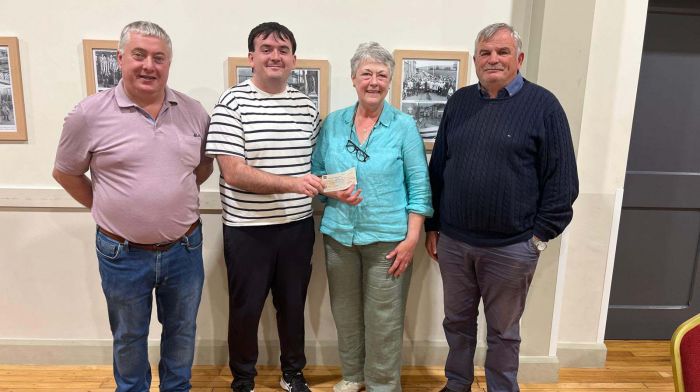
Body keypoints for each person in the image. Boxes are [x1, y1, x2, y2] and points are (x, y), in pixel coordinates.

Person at [52, 21, 213, 391]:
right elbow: (66, 173)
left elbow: (201, 168)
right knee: (128, 337)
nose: (148, 65)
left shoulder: (193, 112)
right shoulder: (88, 114)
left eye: (159, 58)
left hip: (185, 249)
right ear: (120, 58)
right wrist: (107, 205)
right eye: (139, 55)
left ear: (169, 64)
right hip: (121, 253)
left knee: (183, 331)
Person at [424, 23, 579, 392]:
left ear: (519, 58)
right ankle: (457, 384)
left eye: (502, 52)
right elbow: (439, 168)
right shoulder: (458, 102)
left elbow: (563, 182)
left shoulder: (544, 106)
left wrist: (538, 238)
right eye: (485, 53)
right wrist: (434, 226)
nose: (493, 59)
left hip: (513, 247)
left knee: (503, 332)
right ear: (475, 59)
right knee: (456, 323)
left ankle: (501, 388)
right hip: (455, 243)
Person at [205, 22, 322, 392]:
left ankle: (292, 374)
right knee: (245, 310)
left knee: (292, 308)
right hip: (246, 230)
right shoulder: (231, 102)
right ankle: (243, 380)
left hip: (297, 228)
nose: (275, 56)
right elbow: (233, 172)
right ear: (252, 57)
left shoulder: (306, 106)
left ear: (294, 59)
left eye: (283, 50)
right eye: (267, 49)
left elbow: (315, 165)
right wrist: (293, 184)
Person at [311, 42, 433, 392]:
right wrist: (329, 191)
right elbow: (316, 174)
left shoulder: (404, 126)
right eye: (367, 73)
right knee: (346, 314)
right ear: (353, 79)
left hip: (390, 241)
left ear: (390, 80)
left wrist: (412, 240)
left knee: (384, 319)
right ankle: (353, 375)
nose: (374, 81)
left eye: (381, 74)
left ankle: (382, 384)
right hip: (339, 237)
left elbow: (419, 187)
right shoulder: (333, 124)